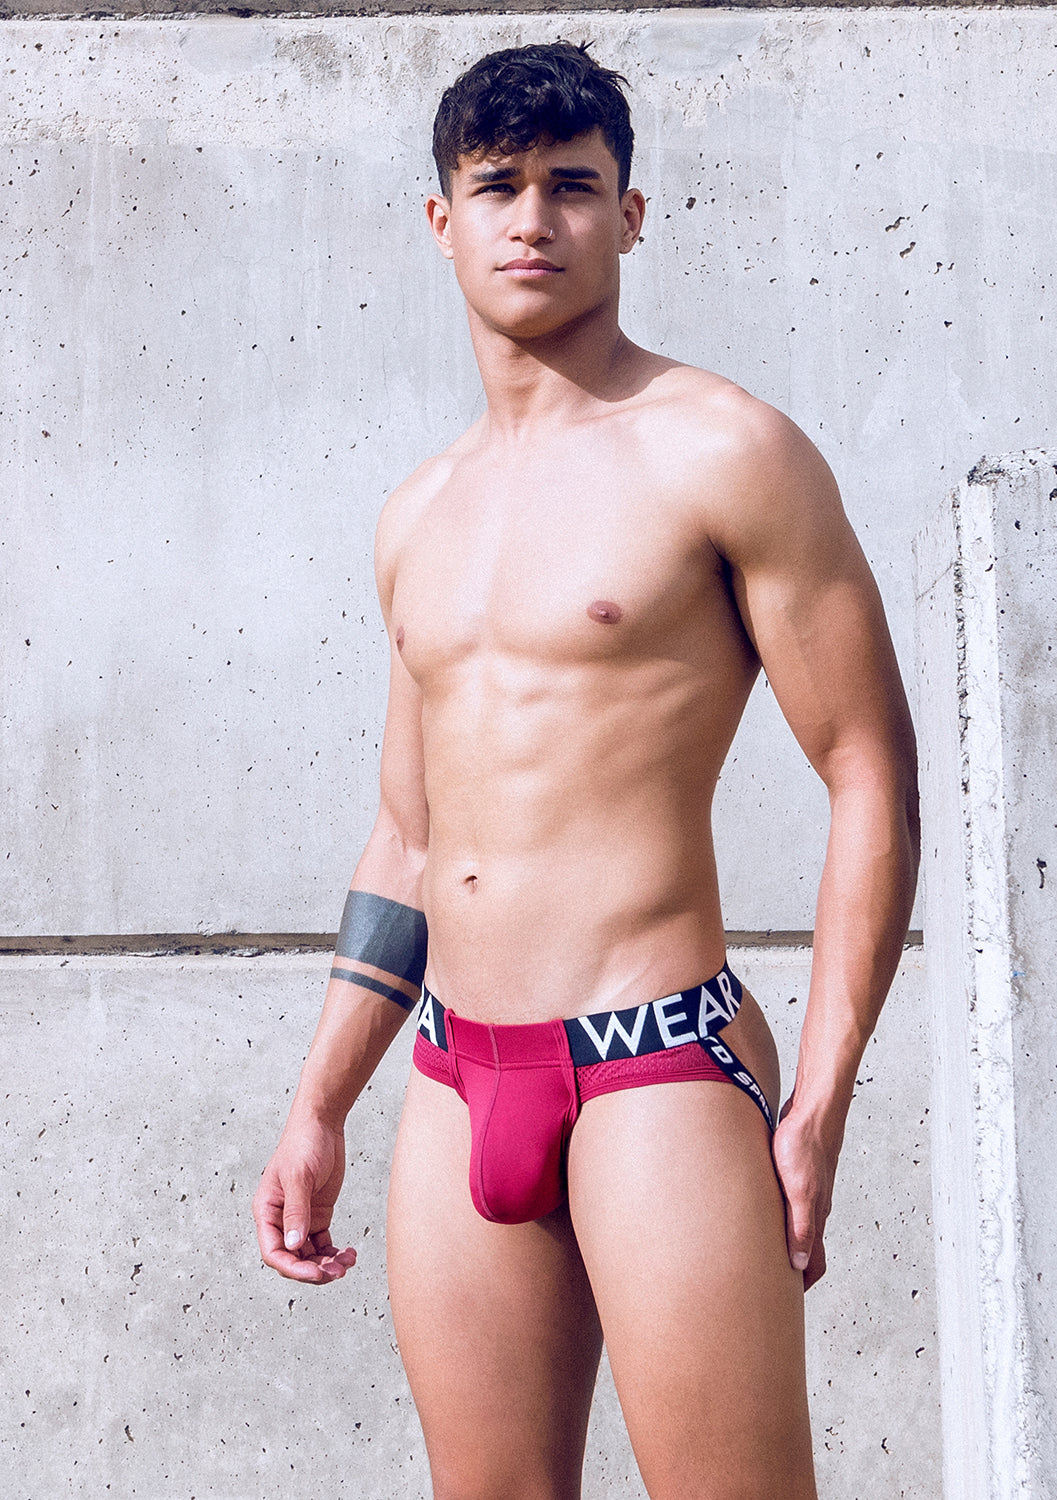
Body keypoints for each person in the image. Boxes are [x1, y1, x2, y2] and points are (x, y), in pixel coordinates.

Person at [253, 40, 919, 1500]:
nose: (533, 220)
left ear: (630, 215)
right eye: (497, 187)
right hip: (455, 1073)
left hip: (654, 1066)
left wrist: (822, 1098)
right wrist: (321, 1102)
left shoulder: (727, 451)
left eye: (571, 185)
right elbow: (407, 838)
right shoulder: (419, 515)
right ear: (442, 220)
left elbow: (867, 770)